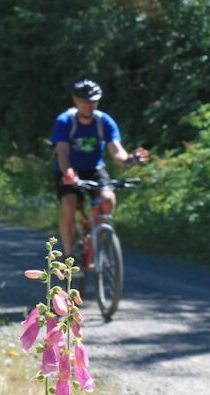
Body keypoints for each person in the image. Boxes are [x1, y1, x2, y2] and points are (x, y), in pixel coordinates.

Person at [51, 79, 148, 260]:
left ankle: (97, 245)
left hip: (94, 168)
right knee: (70, 203)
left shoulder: (104, 121)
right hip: (68, 169)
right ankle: (68, 253)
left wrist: (130, 159)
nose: (89, 105)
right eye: (84, 101)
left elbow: (117, 152)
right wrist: (69, 174)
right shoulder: (65, 121)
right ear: (75, 100)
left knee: (108, 199)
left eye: (93, 101)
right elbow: (62, 152)